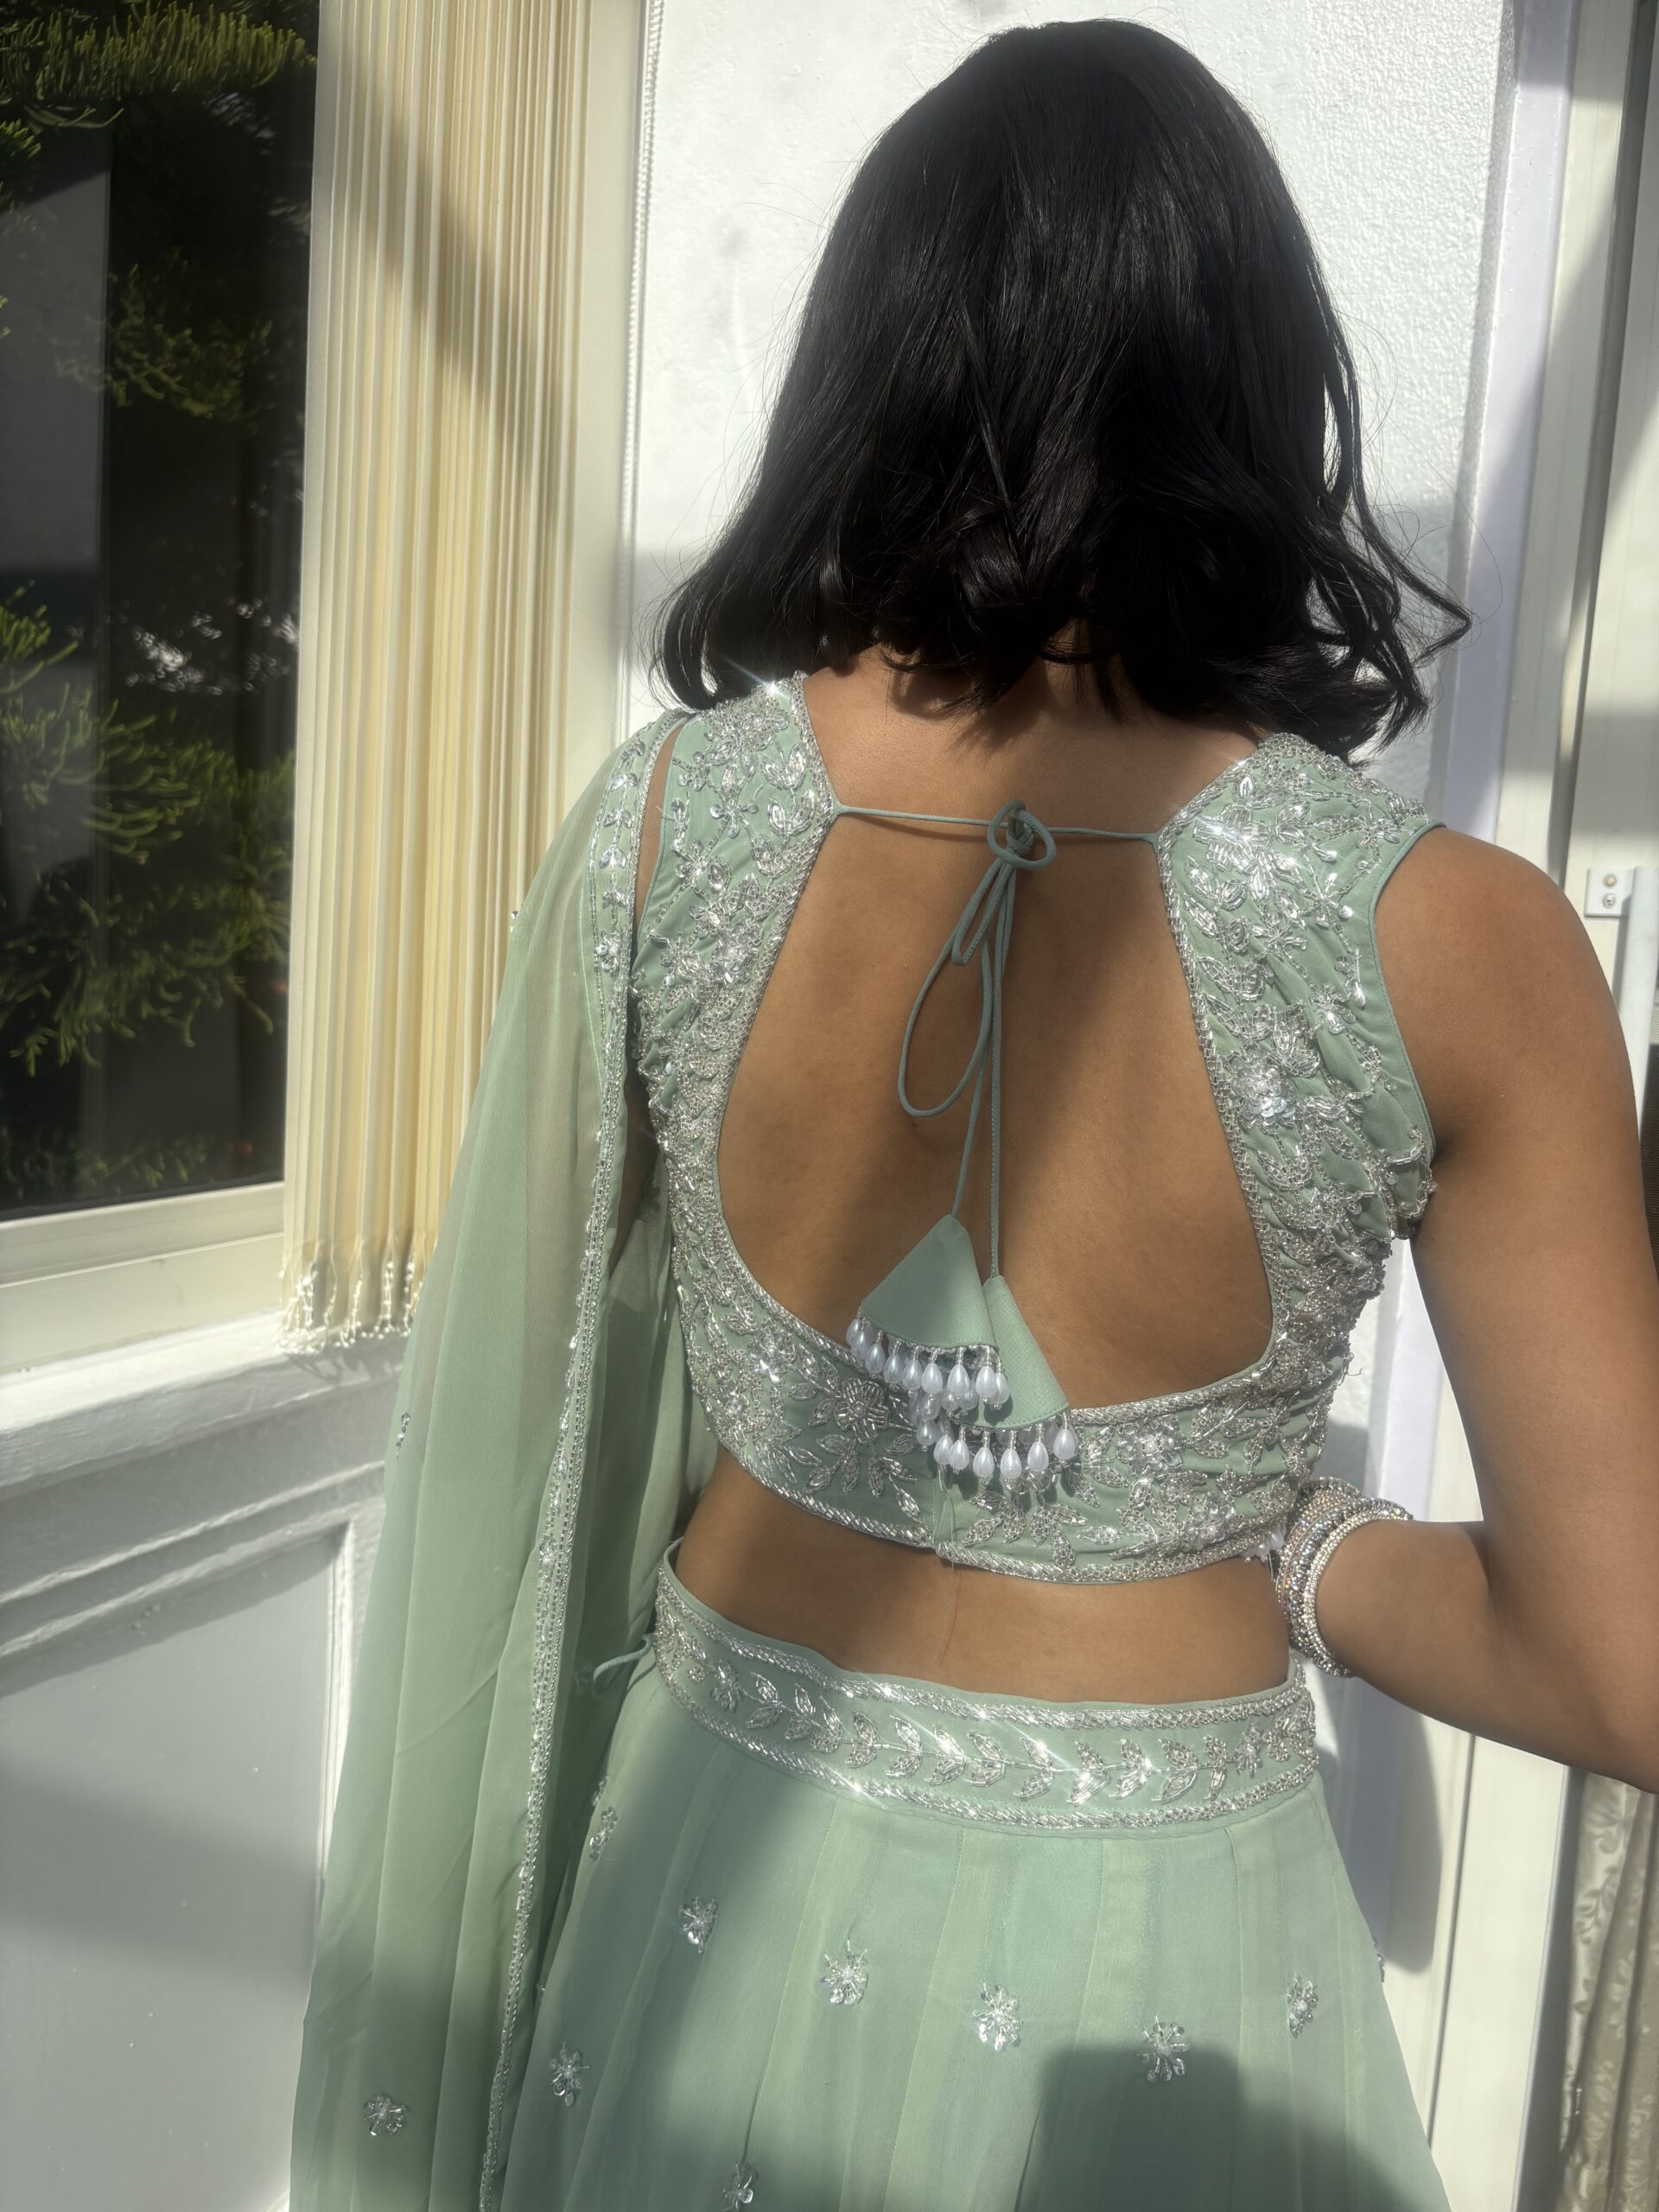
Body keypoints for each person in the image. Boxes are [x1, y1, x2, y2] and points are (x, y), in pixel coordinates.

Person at [288, 22, 1659, 2212]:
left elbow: (515, 1441)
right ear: (1260, 389)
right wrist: (1301, 1539)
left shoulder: (661, 829)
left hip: (707, 1885)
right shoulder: (1459, 940)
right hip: (1159, 1959)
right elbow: (1622, 1662)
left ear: (872, 366)